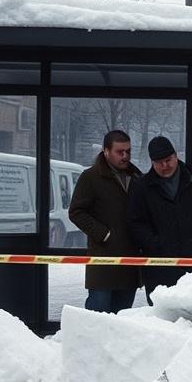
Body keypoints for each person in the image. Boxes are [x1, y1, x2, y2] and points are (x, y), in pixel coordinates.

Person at [128, 136, 192, 304]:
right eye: (159, 162)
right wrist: (154, 242)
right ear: (152, 162)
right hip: (160, 266)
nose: (165, 166)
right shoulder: (142, 186)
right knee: (163, 318)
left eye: (168, 160)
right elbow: (135, 222)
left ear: (176, 156)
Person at [69, 130, 144, 313]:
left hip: (130, 261)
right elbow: (76, 212)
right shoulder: (91, 177)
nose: (125, 156)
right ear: (106, 151)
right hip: (103, 260)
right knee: (97, 314)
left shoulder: (137, 177)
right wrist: (103, 234)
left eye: (128, 151)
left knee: (122, 316)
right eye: (120, 151)